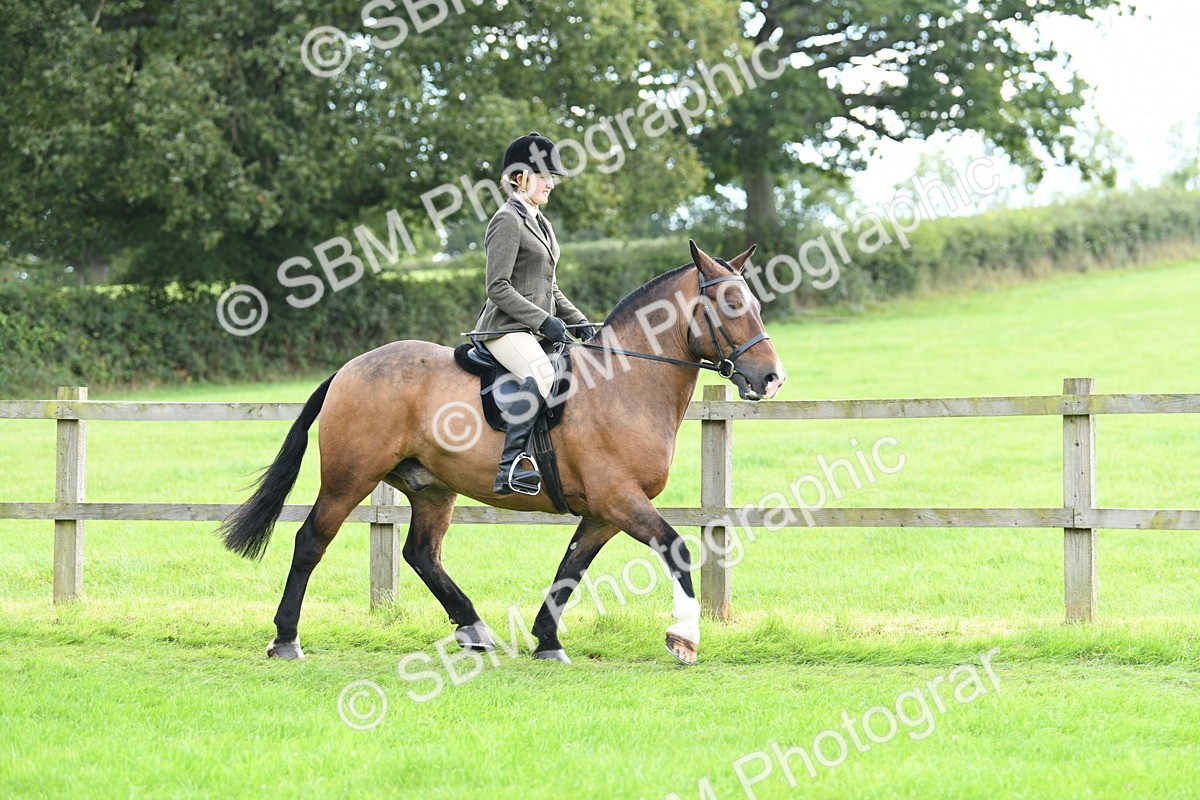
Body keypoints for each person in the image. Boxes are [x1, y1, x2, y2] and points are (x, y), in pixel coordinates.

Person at [475, 132, 597, 496]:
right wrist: (543, 321)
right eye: (544, 175)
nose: (551, 184)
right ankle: (510, 465)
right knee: (542, 371)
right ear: (518, 177)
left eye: (552, 177)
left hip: (532, 331)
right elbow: (497, 287)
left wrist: (583, 325)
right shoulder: (506, 220)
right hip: (505, 329)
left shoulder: (541, 223)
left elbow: (551, 288)